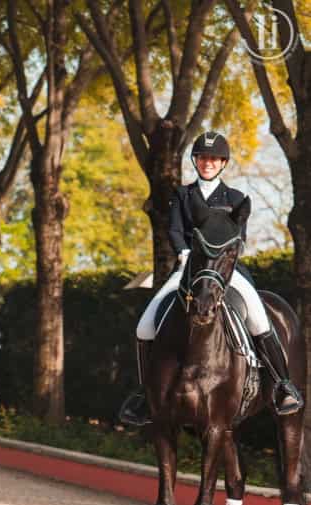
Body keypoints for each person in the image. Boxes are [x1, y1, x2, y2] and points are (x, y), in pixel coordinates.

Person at [119, 131, 303, 426]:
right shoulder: (182, 195)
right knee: (144, 325)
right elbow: (176, 230)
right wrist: (183, 254)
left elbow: (239, 239)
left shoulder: (236, 199)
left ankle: (283, 385)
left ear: (223, 163)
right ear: (196, 161)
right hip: (187, 268)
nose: (208, 163)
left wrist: (220, 264)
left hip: (224, 272)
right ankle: (145, 394)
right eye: (203, 158)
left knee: (259, 317)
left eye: (214, 158)